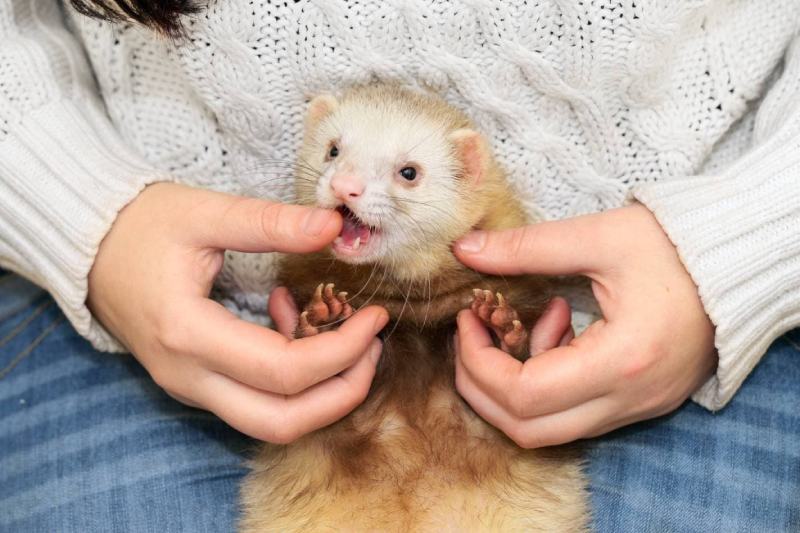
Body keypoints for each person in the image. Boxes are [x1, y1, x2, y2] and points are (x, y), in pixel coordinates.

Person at [0, 1, 797, 531]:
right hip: (154, 307)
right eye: (336, 151)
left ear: (469, 175)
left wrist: (740, 247)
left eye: (409, 176)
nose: (346, 184)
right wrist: (86, 214)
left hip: (678, 318)